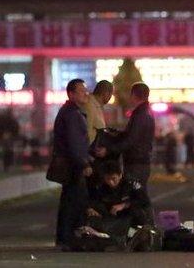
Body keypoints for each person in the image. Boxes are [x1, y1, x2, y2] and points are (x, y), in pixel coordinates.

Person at [52, 79, 93, 250]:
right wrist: (84, 164)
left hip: (71, 163)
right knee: (74, 203)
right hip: (73, 165)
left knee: (69, 201)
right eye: (82, 90)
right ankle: (70, 239)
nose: (86, 93)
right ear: (71, 94)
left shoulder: (70, 111)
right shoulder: (71, 114)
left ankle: (65, 238)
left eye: (86, 90)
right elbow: (75, 143)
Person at [97, 82, 155, 197]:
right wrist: (118, 133)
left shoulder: (140, 114)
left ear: (133, 95)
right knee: (139, 196)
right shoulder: (145, 112)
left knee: (136, 197)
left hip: (136, 163)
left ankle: (146, 215)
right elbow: (133, 136)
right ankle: (146, 215)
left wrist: (109, 150)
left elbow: (131, 140)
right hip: (141, 161)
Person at [86, 161, 153, 251]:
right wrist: (90, 208)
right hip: (111, 217)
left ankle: (132, 238)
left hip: (129, 216)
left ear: (120, 175)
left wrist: (125, 205)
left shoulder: (131, 184)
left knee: (138, 213)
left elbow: (145, 201)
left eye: (114, 178)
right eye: (107, 179)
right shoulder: (100, 186)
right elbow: (92, 200)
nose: (111, 182)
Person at [84, 80, 113, 145]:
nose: (110, 97)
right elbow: (87, 131)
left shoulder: (97, 106)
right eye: (110, 93)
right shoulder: (90, 105)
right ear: (105, 93)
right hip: (91, 150)